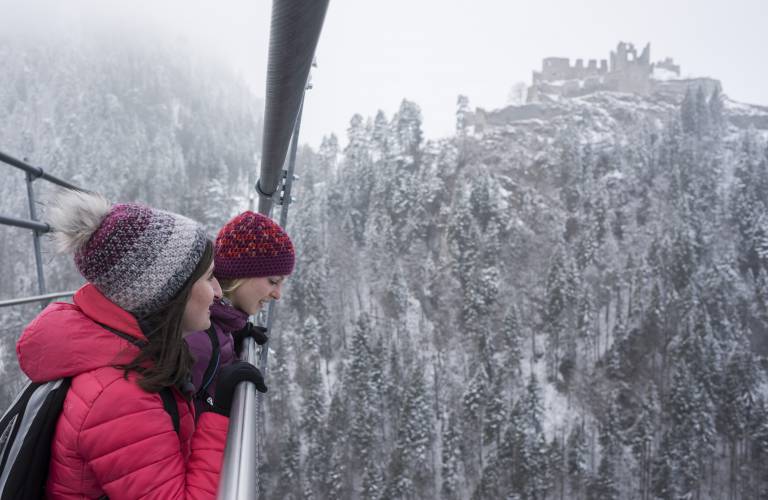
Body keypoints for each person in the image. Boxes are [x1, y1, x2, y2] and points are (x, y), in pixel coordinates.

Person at [15, 190, 265, 499]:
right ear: (168, 295)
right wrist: (221, 414)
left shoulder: (134, 360)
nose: (217, 293)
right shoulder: (118, 396)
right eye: (209, 277)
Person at [186, 211, 295, 411]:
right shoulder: (197, 340)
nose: (278, 295)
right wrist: (220, 407)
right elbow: (180, 430)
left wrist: (235, 333)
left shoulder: (216, 325)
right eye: (273, 281)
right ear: (240, 275)